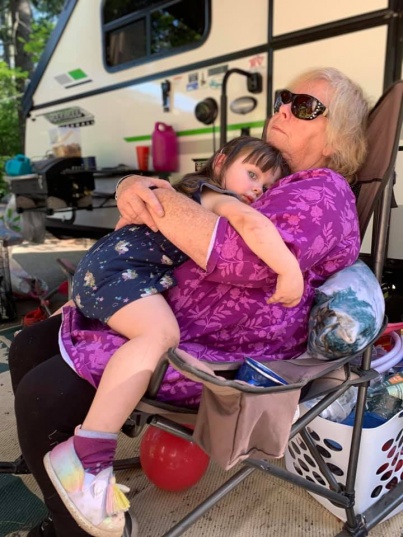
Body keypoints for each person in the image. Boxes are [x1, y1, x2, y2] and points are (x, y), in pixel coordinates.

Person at [9, 67, 369, 537]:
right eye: (285, 98)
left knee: (45, 395)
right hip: (164, 307)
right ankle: (66, 480)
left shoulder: (323, 191)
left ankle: (72, 516)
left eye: (305, 107)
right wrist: (137, 188)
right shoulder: (274, 181)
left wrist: (153, 193)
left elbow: (246, 262)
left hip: (216, 350)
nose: (283, 108)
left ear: (336, 139)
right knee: (30, 345)